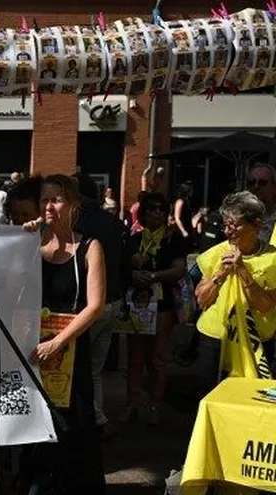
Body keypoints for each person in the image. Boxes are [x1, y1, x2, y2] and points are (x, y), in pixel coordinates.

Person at [19, 174, 106, 492]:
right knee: (35, 426)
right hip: (32, 349)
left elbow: (95, 306)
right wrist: (21, 242)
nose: (49, 205)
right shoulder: (31, 242)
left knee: (75, 428)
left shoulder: (89, 247)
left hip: (69, 349)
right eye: (44, 199)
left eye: (57, 199)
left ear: (73, 204)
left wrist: (58, 341)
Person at [194, 191, 276, 393]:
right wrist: (220, 274)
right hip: (215, 339)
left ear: (256, 225)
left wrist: (242, 271)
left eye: (235, 225)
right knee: (210, 398)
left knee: (252, 401)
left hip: (257, 341)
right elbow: (202, 300)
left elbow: (266, 305)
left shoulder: (273, 259)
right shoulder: (215, 254)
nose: (228, 231)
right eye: (226, 224)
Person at [121, 193, 188, 426]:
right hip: (137, 305)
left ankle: (155, 405)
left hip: (163, 307)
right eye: (153, 209)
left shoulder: (173, 240)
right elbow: (121, 269)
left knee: (157, 358)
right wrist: (133, 272)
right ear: (144, 213)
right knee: (135, 358)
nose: (157, 213)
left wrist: (153, 276)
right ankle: (132, 403)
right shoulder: (133, 239)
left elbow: (179, 269)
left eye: (162, 209)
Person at [74, 173, 129, 440]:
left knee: (82, 368)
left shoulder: (80, 224)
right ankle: (97, 417)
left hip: (91, 304)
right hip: (114, 299)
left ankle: (93, 418)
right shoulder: (114, 222)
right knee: (95, 368)